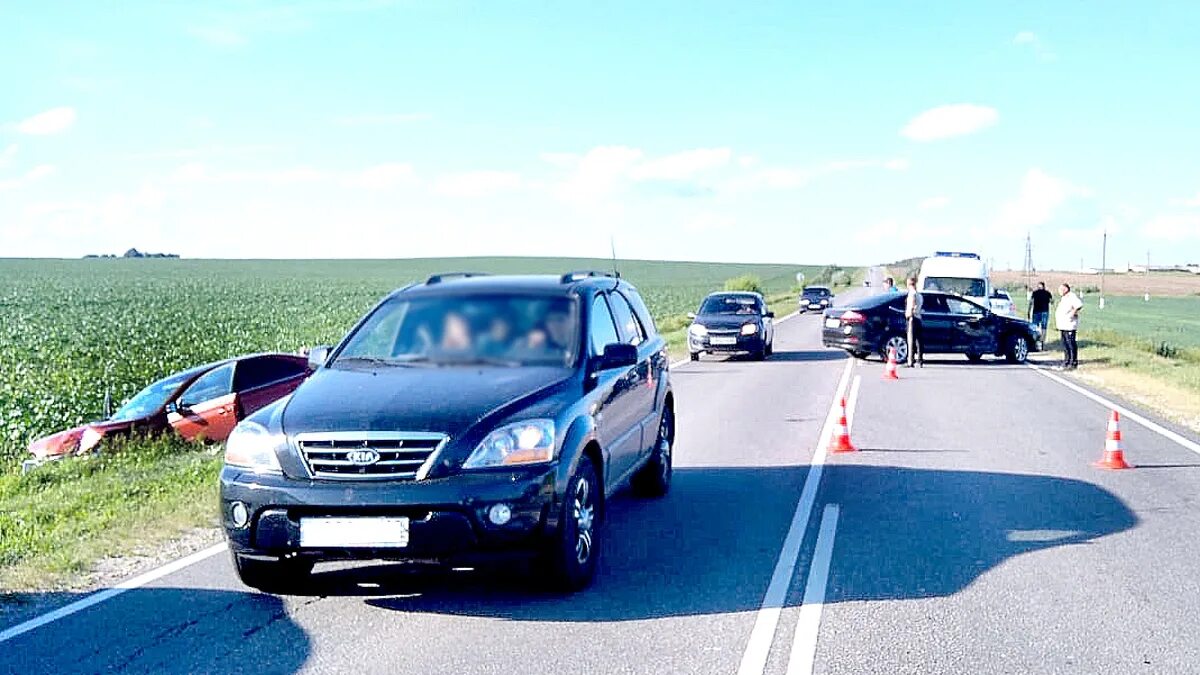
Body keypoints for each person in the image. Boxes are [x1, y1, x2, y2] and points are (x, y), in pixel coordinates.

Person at [1055, 283, 1083, 370]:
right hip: (1063, 325)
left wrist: (1073, 313)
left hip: (1069, 324)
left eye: (1061, 289)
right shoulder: (1064, 298)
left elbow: (1079, 305)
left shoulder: (1072, 296)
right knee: (1065, 344)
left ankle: (1073, 362)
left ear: (1065, 289)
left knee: (1071, 343)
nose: (1059, 291)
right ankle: (1066, 361)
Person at [904, 276, 923, 367]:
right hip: (918, 318)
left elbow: (912, 305)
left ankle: (910, 361)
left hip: (912, 318)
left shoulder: (912, 294)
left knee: (911, 340)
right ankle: (920, 359)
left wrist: (909, 314)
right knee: (919, 340)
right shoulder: (919, 294)